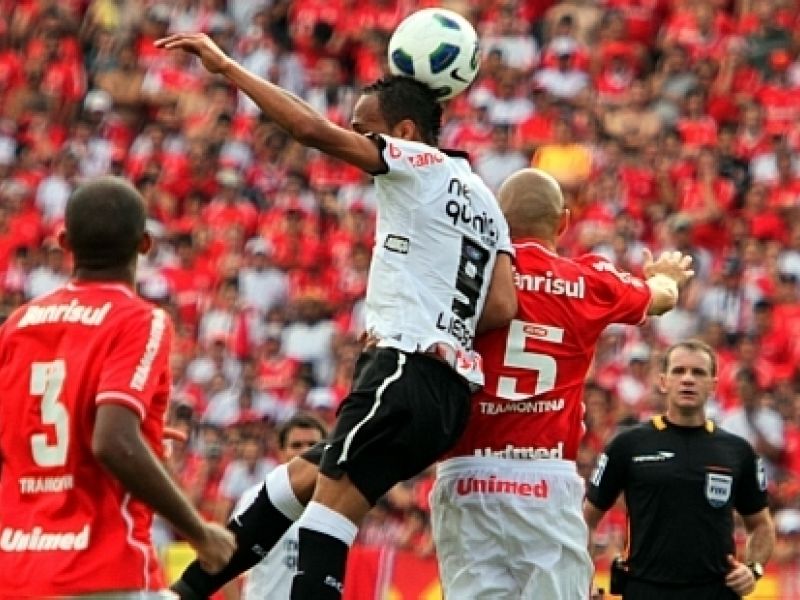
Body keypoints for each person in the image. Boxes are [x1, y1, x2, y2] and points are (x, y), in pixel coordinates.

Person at [156, 33, 517, 600]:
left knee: (325, 518)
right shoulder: (487, 201)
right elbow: (501, 307)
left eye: (365, 128)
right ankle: (185, 592)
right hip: (448, 399)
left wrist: (227, 67)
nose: (357, 138)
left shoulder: (418, 162)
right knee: (296, 481)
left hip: (404, 366)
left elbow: (309, 130)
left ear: (403, 133)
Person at [430, 168, 695, 599]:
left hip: (464, 472)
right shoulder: (586, 279)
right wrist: (667, 274)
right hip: (541, 475)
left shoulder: (462, 277)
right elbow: (660, 298)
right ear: (564, 222)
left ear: (497, 218)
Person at [0, 176, 236, 597]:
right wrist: (199, 534)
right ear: (145, 244)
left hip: (18, 571)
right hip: (102, 569)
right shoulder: (139, 320)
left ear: (64, 242)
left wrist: (141, 437)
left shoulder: (18, 324)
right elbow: (113, 441)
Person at [584, 340, 776, 599]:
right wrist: (584, 578)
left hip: (715, 592)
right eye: (679, 371)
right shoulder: (627, 445)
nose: (688, 379)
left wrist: (753, 570)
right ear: (663, 381)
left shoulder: (738, 451)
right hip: (646, 591)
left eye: (698, 372)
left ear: (713, 386)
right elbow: (587, 520)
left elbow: (761, 525)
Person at [237, 413, 328, 599]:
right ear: (280, 451)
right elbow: (225, 560)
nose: (305, 452)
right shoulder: (257, 498)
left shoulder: (333, 504)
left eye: (313, 445)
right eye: (296, 445)